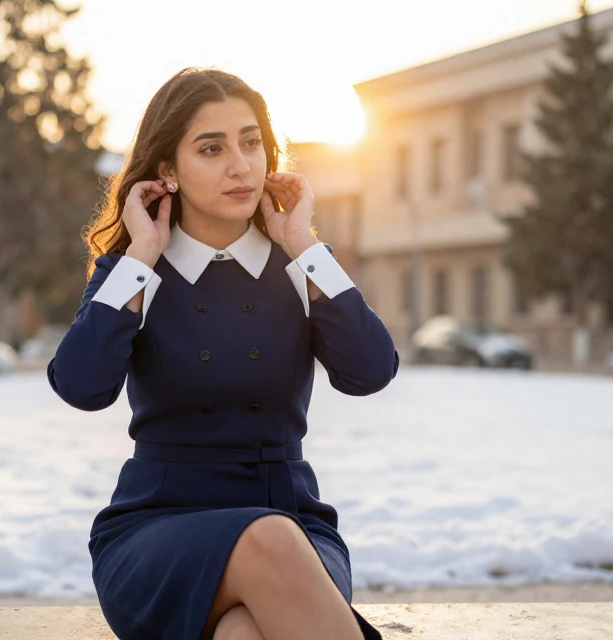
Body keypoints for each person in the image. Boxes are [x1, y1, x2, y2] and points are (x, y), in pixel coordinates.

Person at [48, 68, 399, 640]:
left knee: (243, 632)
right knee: (269, 538)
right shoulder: (135, 271)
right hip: (157, 526)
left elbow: (371, 372)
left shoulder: (300, 263)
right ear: (168, 171)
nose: (241, 165)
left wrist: (304, 244)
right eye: (212, 149)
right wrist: (141, 257)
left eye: (251, 142)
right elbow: (80, 386)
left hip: (294, 526)